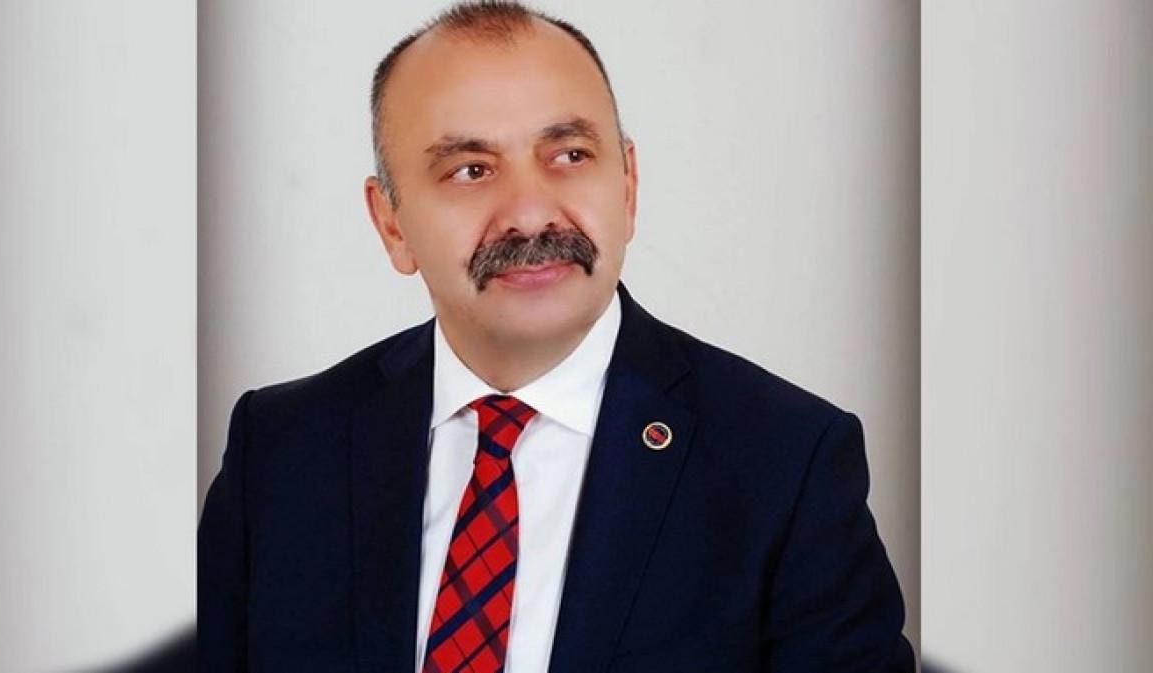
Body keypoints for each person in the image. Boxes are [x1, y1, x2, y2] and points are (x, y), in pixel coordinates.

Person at [198, 2, 914, 671]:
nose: (531, 212)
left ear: (627, 186)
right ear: (391, 223)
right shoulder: (281, 452)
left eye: (569, 155)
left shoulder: (786, 465)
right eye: (471, 170)